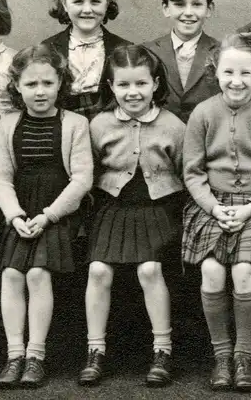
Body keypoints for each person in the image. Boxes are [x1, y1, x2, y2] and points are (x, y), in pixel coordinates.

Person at [182, 33, 251, 392]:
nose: (236, 81)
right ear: (216, 71)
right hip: (211, 205)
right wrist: (213, 206)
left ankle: (244, 355)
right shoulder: (203, 113)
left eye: (245, 72)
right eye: (228, 72)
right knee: (211, 271)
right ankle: (221, 355)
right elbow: (192, 173)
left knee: (244, 272)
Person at [81, 45, 186, 387]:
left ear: (155, 84)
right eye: (123, 85)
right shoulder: (100, 124)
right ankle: (95, 350)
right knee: (98, 270)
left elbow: (186, 173)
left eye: (141, 83)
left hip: (159, 209)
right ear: (111, 87)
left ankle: (162, 349)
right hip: (114, 208)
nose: (133, 92)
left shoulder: (172, 125)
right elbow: (89, 172)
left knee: (150, 269)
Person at [0, 45, 92, 389]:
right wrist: (14, 215)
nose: (40, 91)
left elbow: (82, 179)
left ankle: (36, 356)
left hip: (57, 212)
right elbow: (2, 177)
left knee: (37, 274)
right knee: (10, 274)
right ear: (17, 86)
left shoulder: (75, 123)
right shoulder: (7, 124)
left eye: (48, 83)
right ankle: (14, 354)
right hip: (20, 210)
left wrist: (48, 216)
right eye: (31, 83)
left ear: (61, 85)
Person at [42, 0, 132, 119]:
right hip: (65, 130)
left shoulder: (124, 49)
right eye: (78, 1)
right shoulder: (47, 49)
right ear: (64, 3)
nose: (87, 9)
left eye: (95, 1)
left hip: (111, 129)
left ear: (107, 2)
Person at [143, 0, 220, 123]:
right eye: (180, 4)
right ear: (166, 9)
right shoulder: (147, 52)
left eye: (197, 4)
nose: (188, 12)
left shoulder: (222, 52)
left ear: (209, 9)